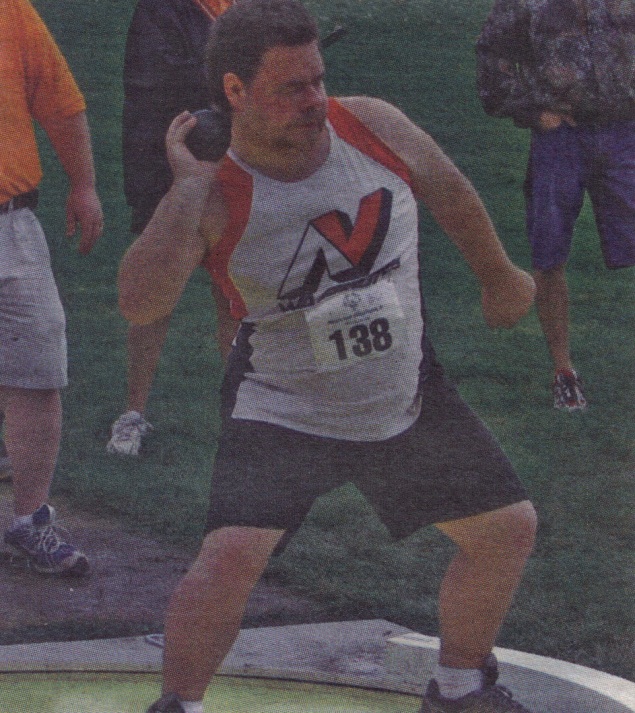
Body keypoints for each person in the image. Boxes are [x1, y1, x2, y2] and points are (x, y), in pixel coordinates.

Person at [119, 1, 539, 711]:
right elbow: (138, 301)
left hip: (401, 392)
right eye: (291, 88)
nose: (314, 99)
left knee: (505, 528)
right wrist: (186, 187)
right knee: (229, 557)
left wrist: (498, 275)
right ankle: (178, 704)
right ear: (234, 91)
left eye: (318, 78)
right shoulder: (215, 189)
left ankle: (460, 687)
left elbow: (447, 187)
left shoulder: (370, 125)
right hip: (283, 407)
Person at [476, 0, 635, 411]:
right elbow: (491, 56)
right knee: (549, 252)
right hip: (560, 137)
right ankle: (564, 373)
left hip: (625, 132)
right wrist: (533, 110)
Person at [0, 0, 103, 575]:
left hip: (14, 221)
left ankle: (30, 520)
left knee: (38, 369)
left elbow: (60, 100)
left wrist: (84, 184)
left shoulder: (11, 12)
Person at [107, 0, 235, 456]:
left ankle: (244, 416)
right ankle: (132, 413)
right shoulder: (159, 10)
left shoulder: (249, 7)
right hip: (166, 166)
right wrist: (242, 77)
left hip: (232, 164)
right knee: (154, 295)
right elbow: (160, 80)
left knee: (233, 294)